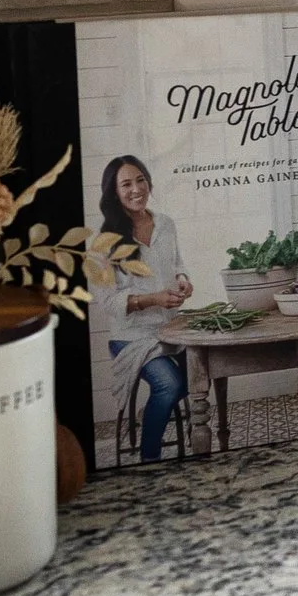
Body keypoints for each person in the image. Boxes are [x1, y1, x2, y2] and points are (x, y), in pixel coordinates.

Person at [96, 156, 193, 461]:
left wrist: (183, 281)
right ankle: (149, 459)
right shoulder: (103, 244)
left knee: (206, 369)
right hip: (131, 337)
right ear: (114, 192)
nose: (136, 189)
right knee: (170, 384)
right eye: (126, 184)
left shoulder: (165, 223)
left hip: (171, 329)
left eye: (141, 180)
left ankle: (149, 411)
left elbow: (177, 265)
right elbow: (109, 303)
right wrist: (154, 299)